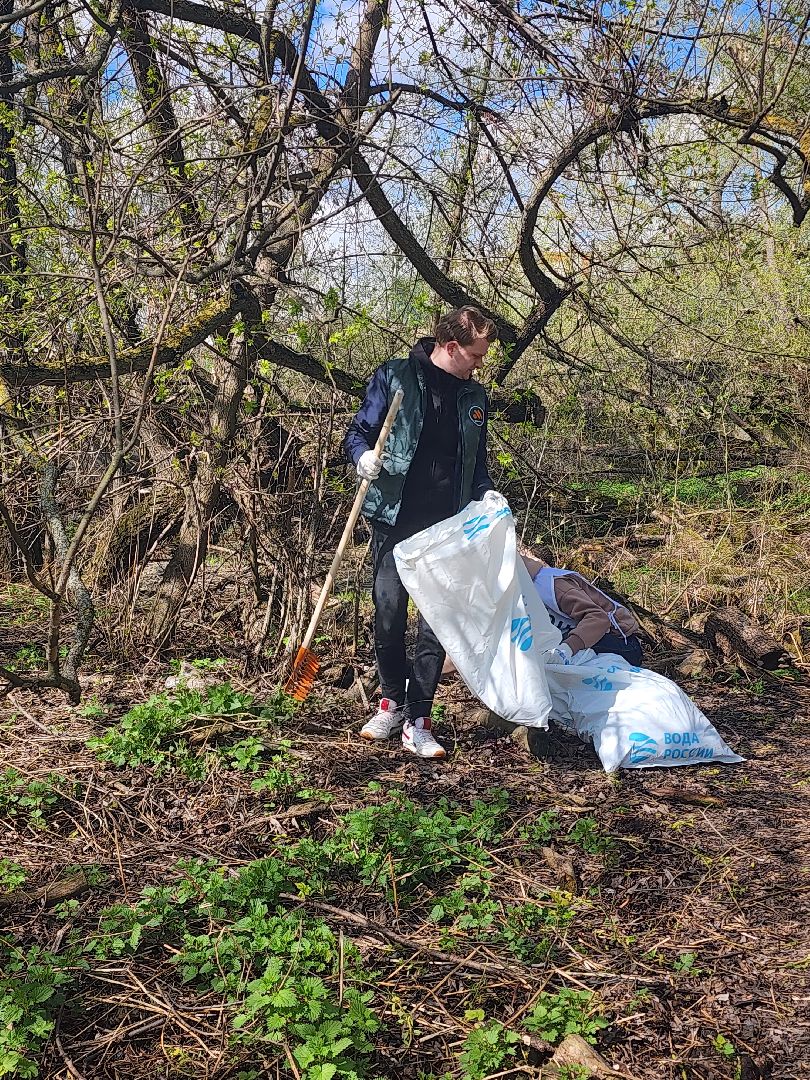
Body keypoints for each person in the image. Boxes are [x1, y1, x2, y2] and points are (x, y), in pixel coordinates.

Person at [344, 306, 498, 758]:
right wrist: (361, 459)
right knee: (389, 611)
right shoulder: (394, 377)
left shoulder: (475, 399)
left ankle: (419, 719)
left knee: (435, 622)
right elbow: (357, 433)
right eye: (475, 354)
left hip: (448, 527)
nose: (480, 363)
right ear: (451, 347)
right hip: (395, 517)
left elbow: (478, 464)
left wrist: (489, 497)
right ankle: (391, 701)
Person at [520, 551, 644, 666]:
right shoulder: (514, 595)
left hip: (620, 643)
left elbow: (599, 618)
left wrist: (566, 649)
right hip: (571, 638)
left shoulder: (551, 586)